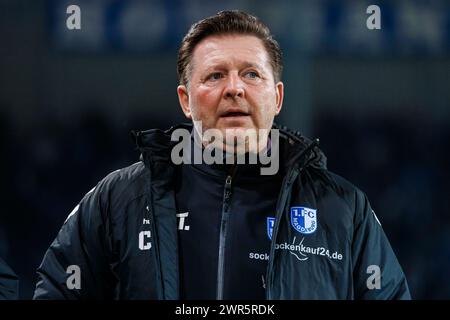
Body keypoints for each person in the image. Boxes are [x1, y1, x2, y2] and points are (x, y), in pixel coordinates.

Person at [33, 10, 410, 300]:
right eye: (215, 76)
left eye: (251, 75)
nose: (234, 89)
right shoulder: (119, 200)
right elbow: (58, 286)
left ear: (276, 97)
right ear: (185, 99)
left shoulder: (343, 208)